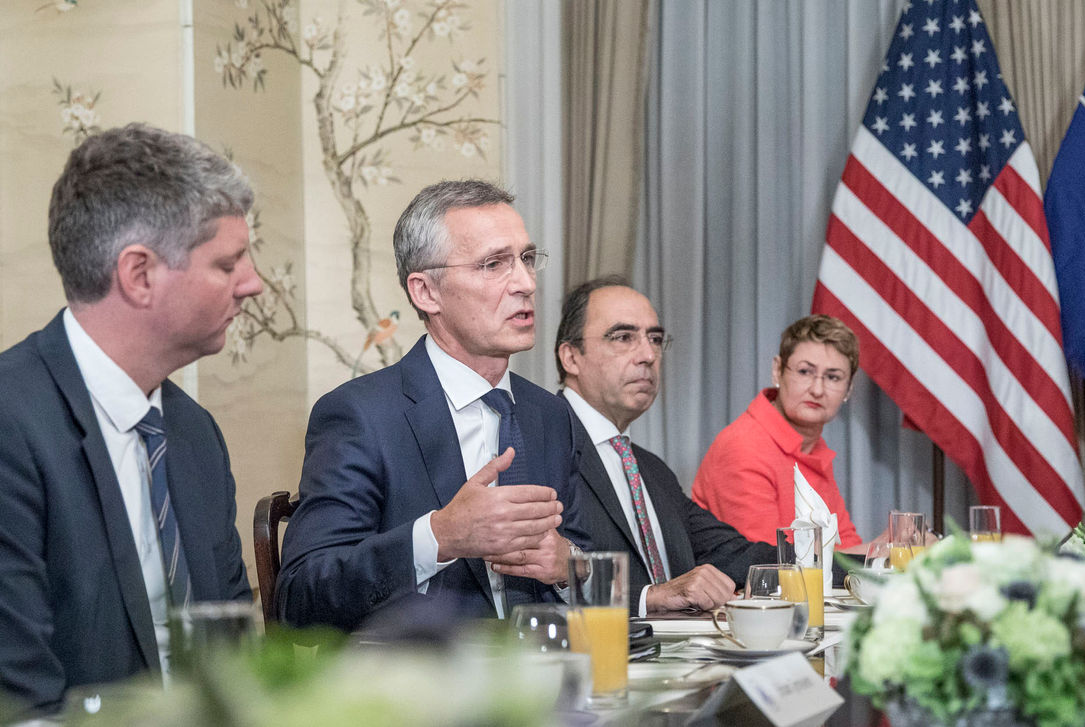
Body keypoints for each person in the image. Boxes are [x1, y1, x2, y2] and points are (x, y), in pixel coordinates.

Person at [0, 124, 260, 716]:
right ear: (139, 274)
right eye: (227, 264)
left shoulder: (194, 434)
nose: (253, 284)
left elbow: (233, 656)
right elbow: (18, 700)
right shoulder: (11, 425)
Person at [276, 180, 590, 630]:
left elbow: (583, 561)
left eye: (526, 259)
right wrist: (440, 536)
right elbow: (302, 597)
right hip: (419, 689)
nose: (525, 283)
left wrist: (568, 566)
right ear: (426, 292)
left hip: (549, 679)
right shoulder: (360, 415)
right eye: (493, 264)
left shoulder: (550, 414)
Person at [555, 278, 777, 616]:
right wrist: (647, 597)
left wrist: (866, 566)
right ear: (571, 357)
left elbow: (738, 556)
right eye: (623, 338)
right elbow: (535, 579)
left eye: (655, 339)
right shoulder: (540, 444)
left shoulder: (651, 470)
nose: (647, 355)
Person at [692, 314, 866, 551]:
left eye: (833, 377)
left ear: (848, 389)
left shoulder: (813, 446)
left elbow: (845, 546)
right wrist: (879, 552)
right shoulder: (743, 446)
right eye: (805, 372)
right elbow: (770, 565)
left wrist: (890, 549)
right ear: (777, 371)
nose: (817, 389)